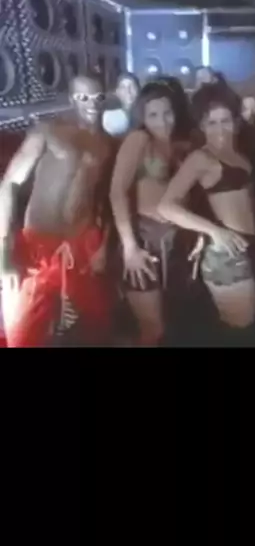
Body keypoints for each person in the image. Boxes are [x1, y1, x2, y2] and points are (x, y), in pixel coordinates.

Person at [0, 74, 116, 347]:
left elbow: (107, 199)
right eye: (84, 97)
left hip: (82, 244)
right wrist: (4, 252)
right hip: (37, 244)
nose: (92, 104)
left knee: (95, 328)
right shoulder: (47, 130)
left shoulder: (108, 144)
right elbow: (8, 185)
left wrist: (103, 245)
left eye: (98, 97)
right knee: (24, 335)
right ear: (71, 99)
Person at [157, 84, 255, 337]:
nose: (220, 129)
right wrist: (214, 231)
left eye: (225, 121)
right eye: (212, 123)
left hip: (247, 248)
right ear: (202, 126)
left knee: (246, 328)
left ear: (236, 122)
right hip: (226, 255)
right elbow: (166, 206)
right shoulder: (201, 159)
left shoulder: (238, 153)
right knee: (239, 333)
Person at [109, 82, 192, 346]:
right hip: (144, 240)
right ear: (142, 117)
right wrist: (130, 248)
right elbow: (117, 192)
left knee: (172, 322)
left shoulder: (179, 145)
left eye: (167, 113)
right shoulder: (138, 140)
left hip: (174, 241)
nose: (162, 121)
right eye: (153, 115)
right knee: (151, 328)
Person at [102, 72, 140, 137]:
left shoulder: (145, 113)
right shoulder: (110, 115)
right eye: (123, 87)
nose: (128, 91)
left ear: (138, 90)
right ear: (117, 92)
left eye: (132, 86)